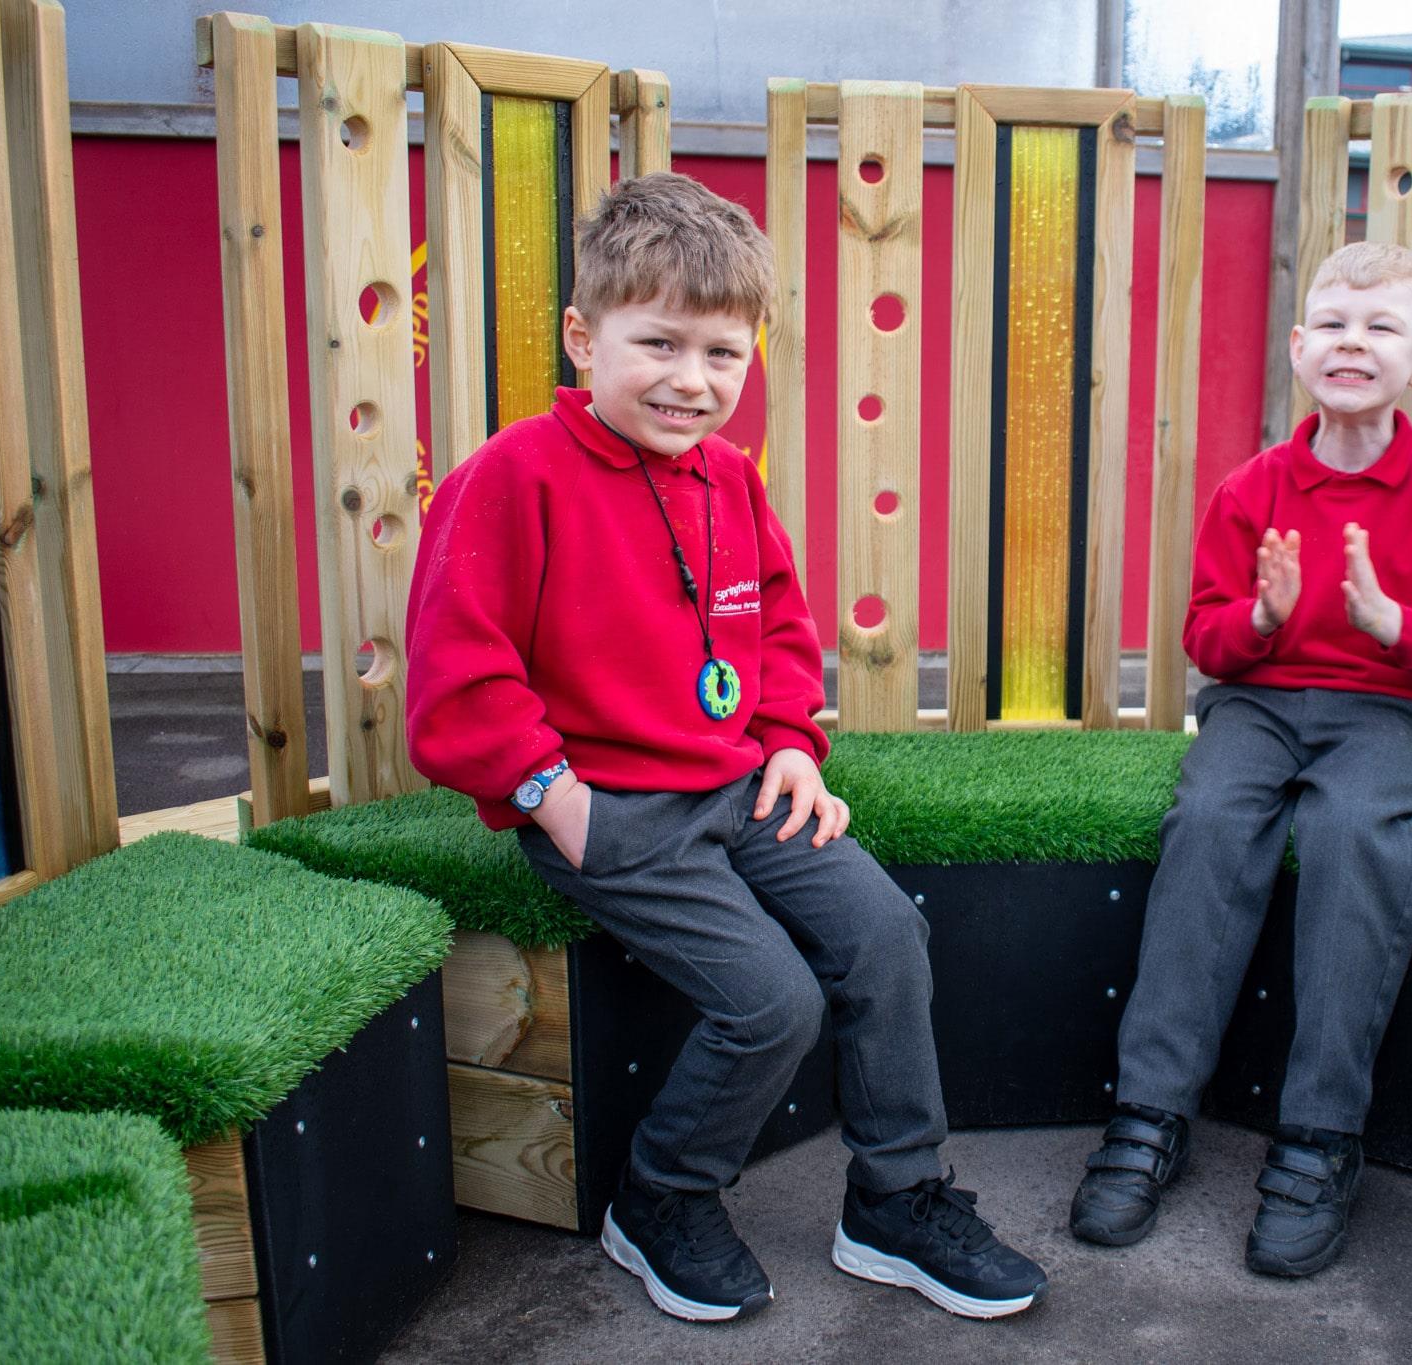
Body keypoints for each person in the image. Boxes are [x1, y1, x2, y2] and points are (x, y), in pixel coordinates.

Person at [405, 171, 1045, 1323]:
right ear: (582, 334)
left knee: (885, 935)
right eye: (658, 343)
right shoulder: (510, 477)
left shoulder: (731, 482)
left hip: (742, 789)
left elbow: (782, 630)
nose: (692, 383)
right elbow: (460, 675)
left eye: (724, 356)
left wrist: (793, 743)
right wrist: (555, 798)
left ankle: (894, 1202)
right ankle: (659, 1197)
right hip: (612, 813)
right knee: (774, 1004)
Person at [1069, 241, 1412, 1277]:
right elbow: (1203, 639)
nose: (1354, 344)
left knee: (1360, 836)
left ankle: (1317, 1140)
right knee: (1210, 826)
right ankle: (1148, 1114)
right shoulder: (1250, 489)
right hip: (1256, 706)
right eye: (1335, 325)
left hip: (1382, 712)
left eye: (1381, 328)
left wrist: (1392, 623)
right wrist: (1265, 615)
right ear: (1299, 345)